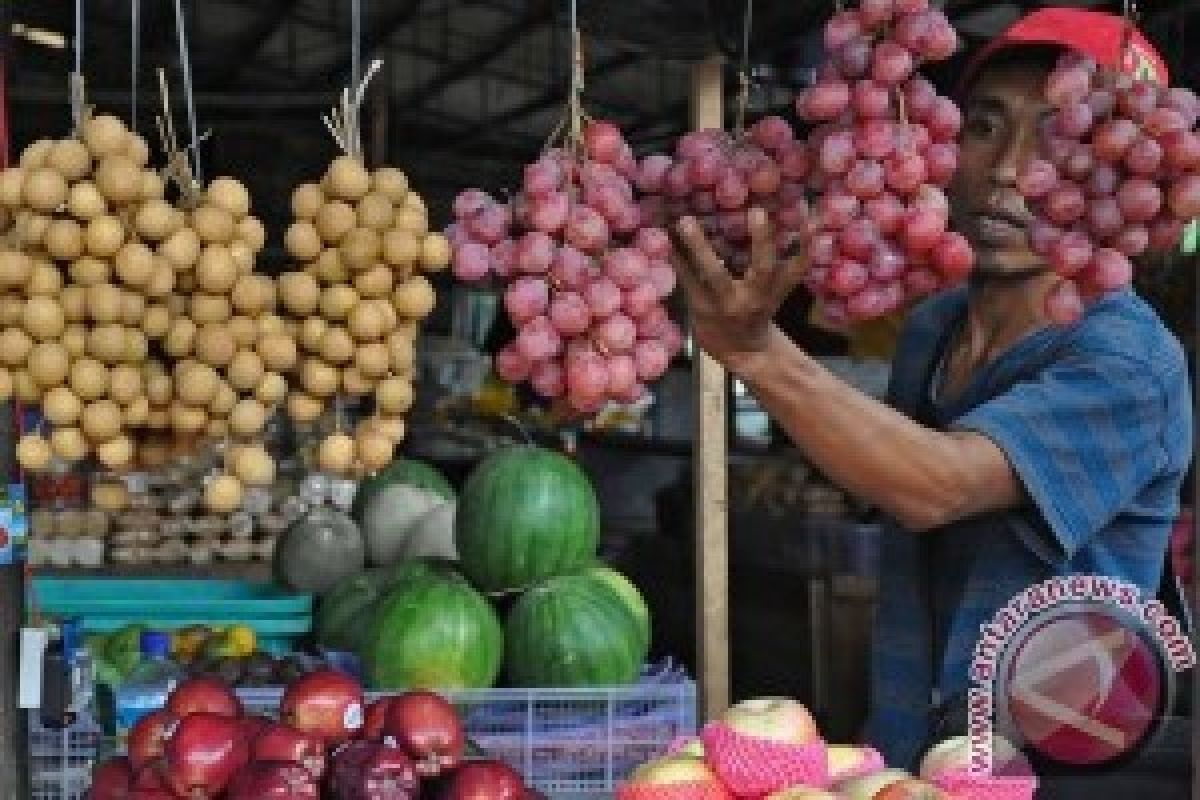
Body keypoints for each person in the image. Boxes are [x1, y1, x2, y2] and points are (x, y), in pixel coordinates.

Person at [671, 6, 1193, 781]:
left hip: (1051, 776)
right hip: (916, 760)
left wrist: (756, 351)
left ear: (1118, 169)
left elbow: (937, 484)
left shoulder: (1128, 358)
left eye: (1056, 135)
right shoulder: (935, 326)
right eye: (985, 128)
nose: (1010, 167)